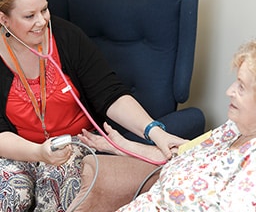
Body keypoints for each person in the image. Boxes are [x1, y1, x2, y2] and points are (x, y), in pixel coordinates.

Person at [0, 0, 186, 212]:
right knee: (12, 192)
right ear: (3, 19)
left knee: (55, 188)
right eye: (29, 16)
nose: (42, 21)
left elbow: (110, 94)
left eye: (45, 10)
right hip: (19, 148)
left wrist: (154, 131)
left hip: (72, 145)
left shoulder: (67, 37)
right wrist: (38, 153)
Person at [71, 40, 256, 211]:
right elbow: (180, 155)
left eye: (241, 87)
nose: (229, 91)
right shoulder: (232, 129)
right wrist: (122, 146)